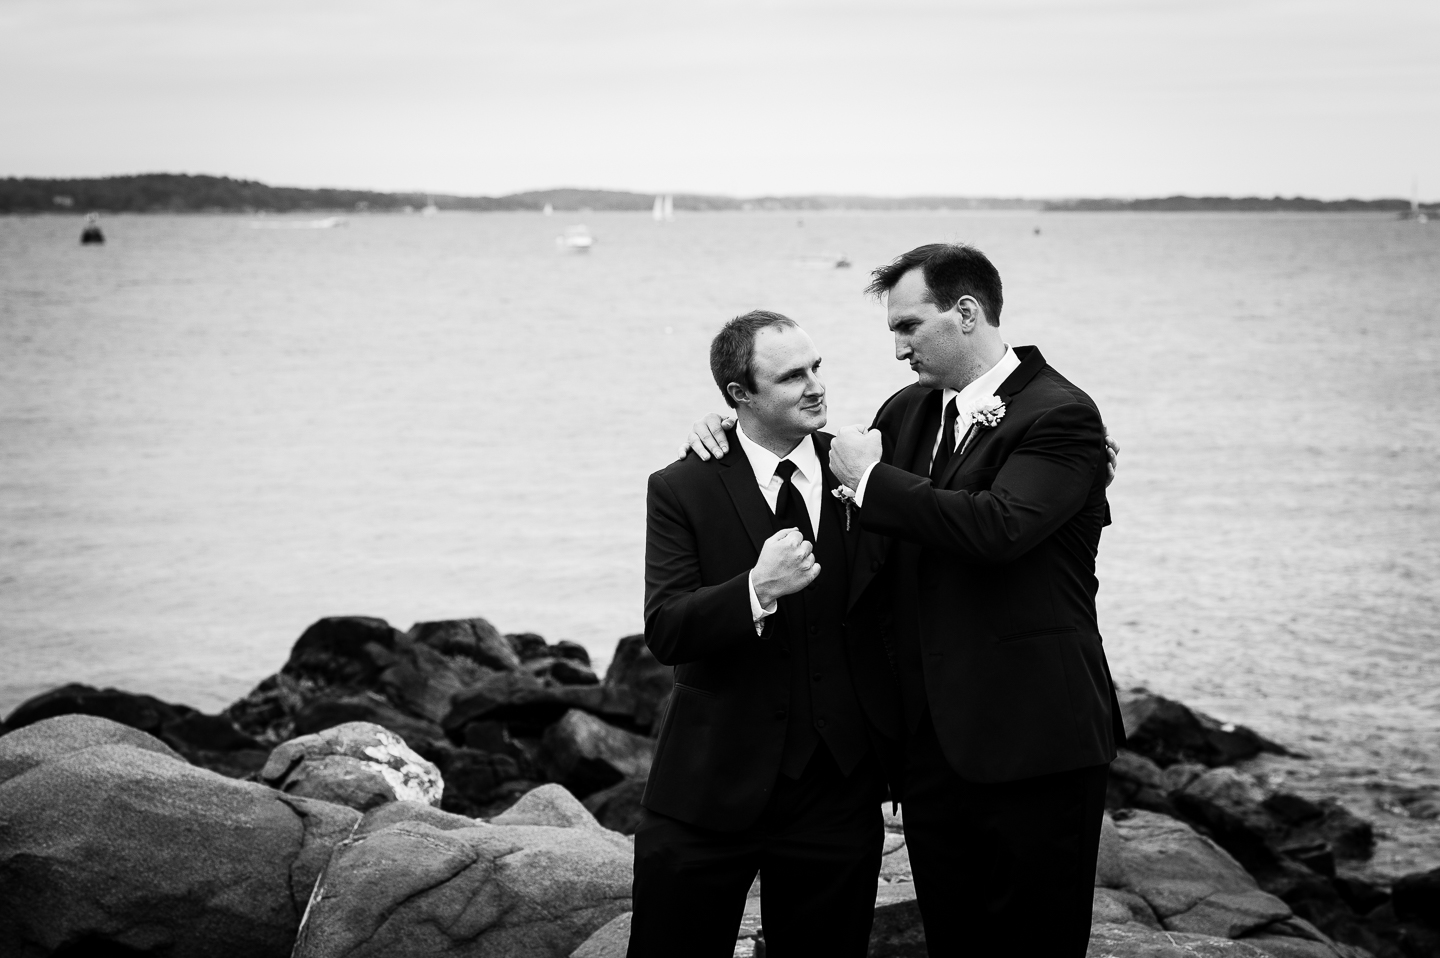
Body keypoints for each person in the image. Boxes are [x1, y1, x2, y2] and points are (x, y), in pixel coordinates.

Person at [684, 244, 1124, 957]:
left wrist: (873, 483)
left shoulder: (1062, 416)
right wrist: (727, 432)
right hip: (930, 753)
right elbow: (813, 458)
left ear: (967, 313)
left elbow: (998, 529)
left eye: (909, 327)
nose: (896, 349)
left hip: (1034, 741)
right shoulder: (910, 412)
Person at [630, 310, 903, 958]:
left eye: (816, 368)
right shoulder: (681, 486)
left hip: (837, 791)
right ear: (738, 397)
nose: (815, 386)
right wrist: (756, 588)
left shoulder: (861, 473)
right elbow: (666, 628)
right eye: (790, 377)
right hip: (707, 786)